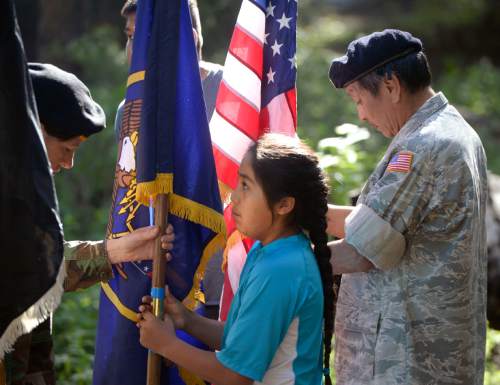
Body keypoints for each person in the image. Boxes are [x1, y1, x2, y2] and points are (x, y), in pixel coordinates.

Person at [326, 29, 488, 385]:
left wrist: (276, 262)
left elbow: (361, 251)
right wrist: (303, 211)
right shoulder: (450, 131)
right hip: (427, 355)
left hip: (406, 361)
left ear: (391, 86)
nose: (362, 116)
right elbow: (383, 224)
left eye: (358, 100)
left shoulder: (422, 147)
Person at [2, 63, 174, 385]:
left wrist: (114, 252)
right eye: (67, 149)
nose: (68, 164)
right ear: (37, 131)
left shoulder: (22, 186)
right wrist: (110, 253)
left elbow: (35, 266)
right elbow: (21, 273)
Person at [137, 134, 335, 385]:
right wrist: (185, 320)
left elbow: (235, 376)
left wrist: (167, 345)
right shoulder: (269, 251)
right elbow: (238, 340)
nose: (234, 198)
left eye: (246, 186)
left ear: (284, 205)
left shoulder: (282, 269)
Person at [117, 0, 224, 319]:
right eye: (130, 35)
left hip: (224, 285)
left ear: (187, 39)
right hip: (160, 286)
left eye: (143, 35)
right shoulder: (131, 109)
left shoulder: (231, 94)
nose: (132, 47)